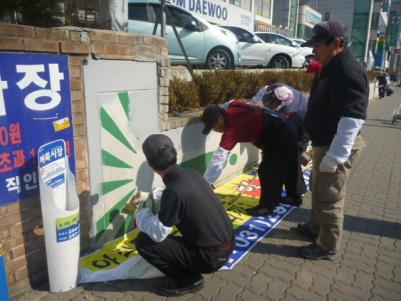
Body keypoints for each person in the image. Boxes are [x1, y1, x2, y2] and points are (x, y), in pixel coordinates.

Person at [296, 20, 368, 260]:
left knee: (330, 197)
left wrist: (336, 155)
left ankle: (327, 245)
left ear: (336, 43)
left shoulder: (348, 71)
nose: (314, 50)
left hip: (335, 145)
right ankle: (315, 229)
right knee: (318, 190)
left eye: (318, 45)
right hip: (323, 142)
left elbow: (353, 117)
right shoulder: (331, 65)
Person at [134, 134, 234, 296]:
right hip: (226, 247)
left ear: (150, 164)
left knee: (144, 242)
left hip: (210, 258)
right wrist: (151, 195)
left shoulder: (173, 190)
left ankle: (187, 280)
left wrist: (139, 218)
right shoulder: (191, 174)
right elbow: (180, 194)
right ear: (174, 153)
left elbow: (159, 234)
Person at [201, 99, 302, 216]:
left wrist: (205, 183)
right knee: (289, 163)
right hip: (283, 124)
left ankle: (267, 206)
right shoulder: (232, 108)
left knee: (268, 171)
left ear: (220, 120)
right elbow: (230, 102)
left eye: (213, 127)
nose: (215, 131)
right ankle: (294, 196)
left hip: (279, 132)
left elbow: (219, 158)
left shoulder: (232, 128)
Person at [252, 84, 309, 199]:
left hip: (304, 126)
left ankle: (295, 193)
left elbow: (282, 131)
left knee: (291, 158)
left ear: (283, 104)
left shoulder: (291, 111)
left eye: (274, 103)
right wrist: (255, 102)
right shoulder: (279, 86)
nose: (270, 104)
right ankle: (295, 191)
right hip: (301, 117)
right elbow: (265, 88)